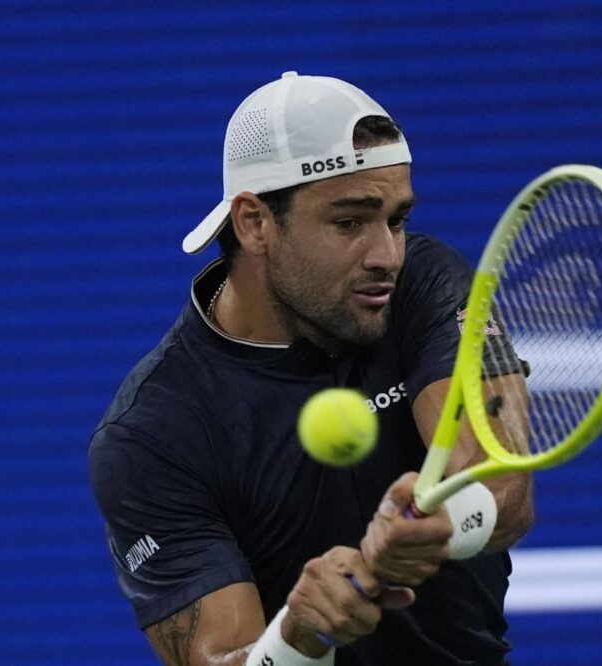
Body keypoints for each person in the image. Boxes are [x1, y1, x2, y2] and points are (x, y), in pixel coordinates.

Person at [89, 71, 534, 666]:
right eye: (349, 223)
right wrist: (297, 635)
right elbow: (218, 656)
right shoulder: (155, 433)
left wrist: (442, 524)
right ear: (255, 224)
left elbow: (501, 481)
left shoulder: (422, 284)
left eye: (396, 220)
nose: (386, 255)